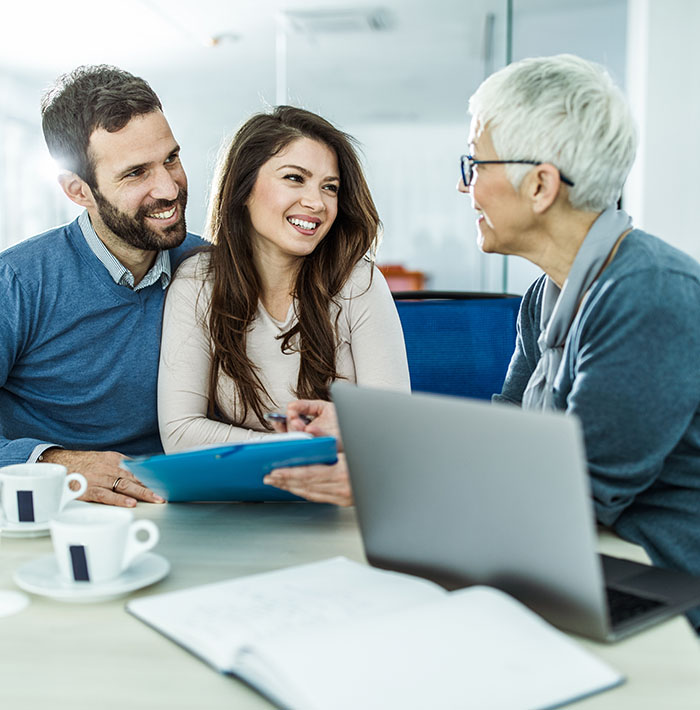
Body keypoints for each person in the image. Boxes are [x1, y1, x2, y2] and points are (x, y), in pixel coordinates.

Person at [280, 55, 700, 633]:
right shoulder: (545, 293)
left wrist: (387, 476)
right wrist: (372, 436)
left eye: (475, 163)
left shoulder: (647, 293)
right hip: (572, 565)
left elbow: (572, 499)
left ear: (540, 184)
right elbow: (506, 439)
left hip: (660, 593)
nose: (463, 183)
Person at [157, 106, 410, 504]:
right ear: (243, 189)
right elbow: (180, 432)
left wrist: (251, 451)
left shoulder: (358, 282)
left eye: (330, 187)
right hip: (240, 508)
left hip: (341, 506)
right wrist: (304, 451)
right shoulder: (198, 281)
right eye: (295, 179)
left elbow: (393, 432)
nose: (317, 202)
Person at [0, 65, 203, 507]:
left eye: (171, 158)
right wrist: (56, 464)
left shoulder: (208, 266)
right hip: (59, 512)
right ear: (79, 191)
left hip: (187, 505)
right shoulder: (17, 282)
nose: (168, 187)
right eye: (136, 174)